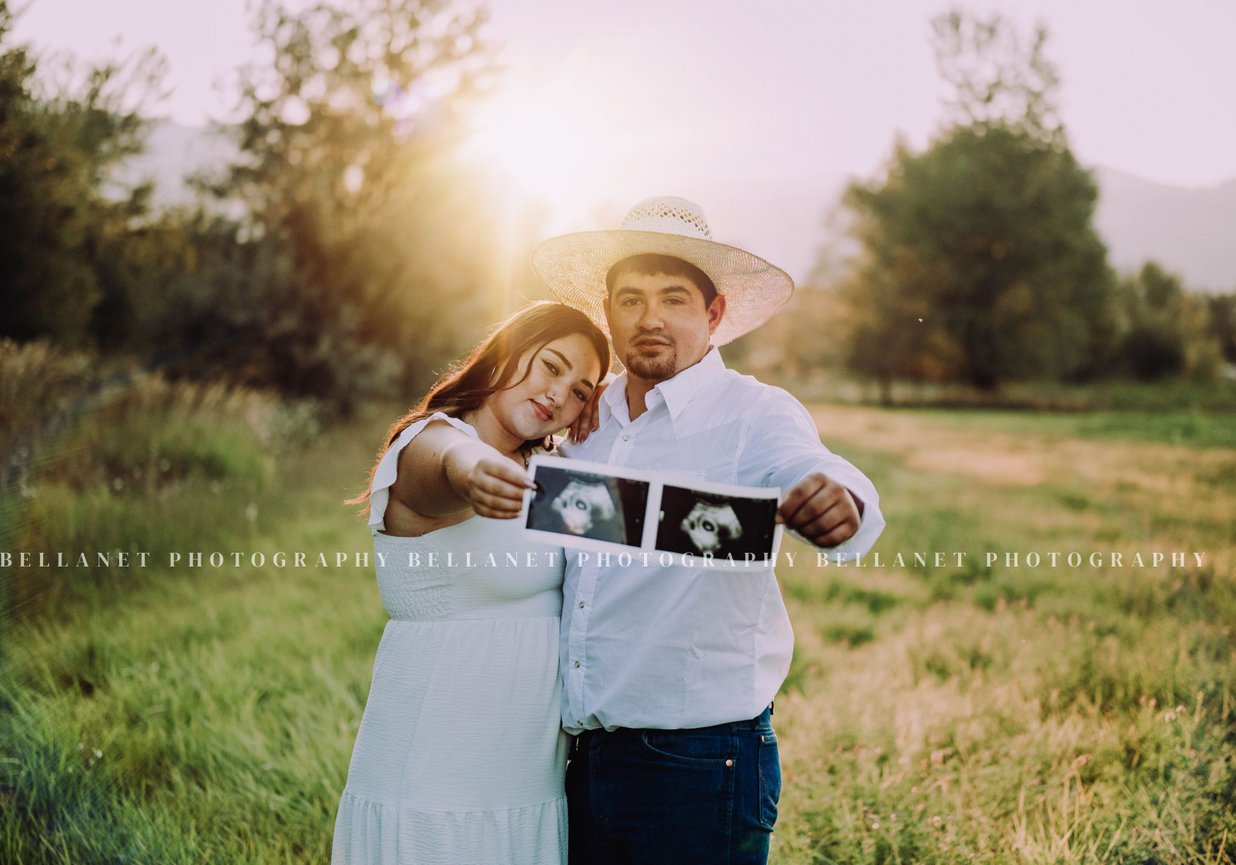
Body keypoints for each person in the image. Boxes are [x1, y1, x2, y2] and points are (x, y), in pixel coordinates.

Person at [532, 196, 886, 864]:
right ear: (607, 311)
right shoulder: (586, 414)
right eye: (630, 299)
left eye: (673, 298)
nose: (651, 318)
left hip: (698, 761)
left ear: (714, 313)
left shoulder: (753, 413)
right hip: (583, 758)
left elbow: (819, 470)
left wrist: (845, 504)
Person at [331, 301, 609, 865]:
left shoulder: (548, 477)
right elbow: (447, 462)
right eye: (550, 366)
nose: (559, 395)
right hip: (438, 778)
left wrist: (604, 411)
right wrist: (476, 469)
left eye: (580, 391)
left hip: (524, 781)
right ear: (506, 351)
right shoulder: (430, 442)